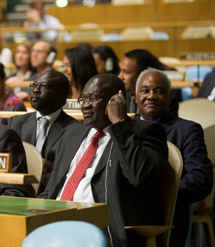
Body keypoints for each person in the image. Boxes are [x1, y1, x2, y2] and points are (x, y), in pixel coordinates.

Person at [39, 74, 168, 246]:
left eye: (93, 98)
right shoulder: (72, 134)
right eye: (83, 99)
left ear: (116, 100)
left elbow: (140, 177)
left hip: (102, 227)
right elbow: (53, 186)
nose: (85, 106)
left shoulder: (144, 131)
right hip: (58, 219)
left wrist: (120, 124)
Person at [135, 68, 213, 247]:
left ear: (170, 98)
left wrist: (161, 195)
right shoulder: (123, 130)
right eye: (145, 90)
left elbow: (200, 179)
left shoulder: (187, 130)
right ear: (136, 96)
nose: (152, 96)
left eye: (160, 91)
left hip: (167, 214)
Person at [8, 70, 80, 194]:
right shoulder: (16, 123)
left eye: (44, 86)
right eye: (34, 85)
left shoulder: (74, 129)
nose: (35, 90)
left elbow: (64, 174)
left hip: (52, 194)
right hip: (16, 191)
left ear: (62, 95)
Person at [118, 49, 179, 115]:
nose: (120, 77)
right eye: (120, 71)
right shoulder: (123, 96)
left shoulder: (166, 100)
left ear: (143, 74)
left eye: (126, 72)